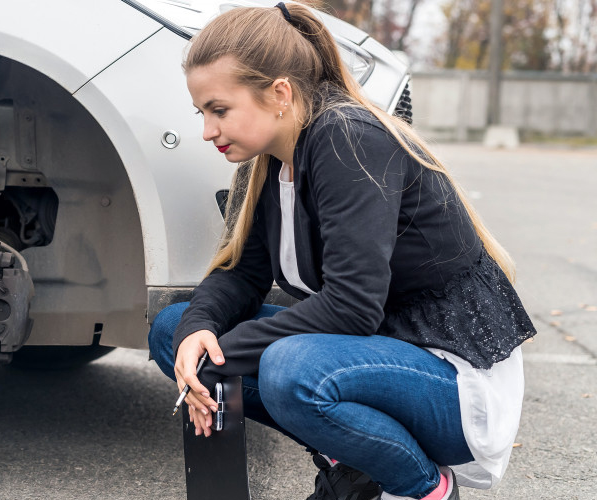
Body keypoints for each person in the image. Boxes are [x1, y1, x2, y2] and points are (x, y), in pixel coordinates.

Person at [147, 3, 537, 500]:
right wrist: (199, 333)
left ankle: (424, 488)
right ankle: (354, 466)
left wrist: (222, 360)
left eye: (219, 110)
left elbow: (353, 306)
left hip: (452, 381)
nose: (207, 130)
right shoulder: (270, 160)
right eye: (201, 112)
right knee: (172, 330)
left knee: (289, 367)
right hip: (372, 356)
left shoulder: (347, 139)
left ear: (280, 93)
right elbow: (242, 275)